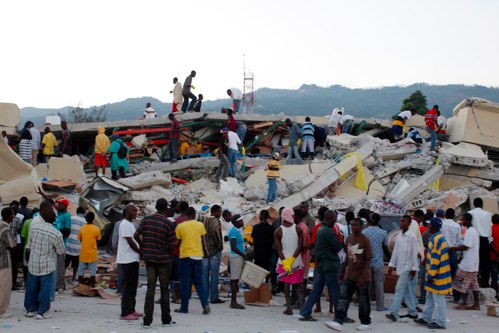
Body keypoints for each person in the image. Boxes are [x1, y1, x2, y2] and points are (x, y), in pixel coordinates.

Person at [133, 199, 177, 327]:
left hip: (149, 259)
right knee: (164, 289)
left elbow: (136, 236)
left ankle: (147, 320)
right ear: (166, 209)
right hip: (163, 260)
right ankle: (166, 319)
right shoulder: (167, 223)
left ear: (156, 207)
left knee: (150, 289)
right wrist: (167, 252)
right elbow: (173, 243)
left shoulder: (146, 220)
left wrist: (143, 248)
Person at [326, 218, 373, 331]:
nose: (353, 227)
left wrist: (363, 275)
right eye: (352, 225)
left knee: (363, 301)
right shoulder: (349, 238)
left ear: (361, 227)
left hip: (362, 276)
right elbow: (348, 256)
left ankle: (365, 322)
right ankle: (338, 320)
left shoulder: (365, 240)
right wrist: (342, 271)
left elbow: (368, 259)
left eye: (356, 225)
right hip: (350, 274)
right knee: (343, 298)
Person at [300, 210, 343, 322]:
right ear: (328, 218)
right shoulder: (328, 231)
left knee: (316, 290)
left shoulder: (319, 229)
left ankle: (305, 312)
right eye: (334, 218)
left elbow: (314, 244)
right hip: (329, 265)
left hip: (322, 264)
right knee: (335, 291)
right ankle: (340, 315)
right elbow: (337, 246)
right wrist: (344, 241)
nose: (335, 220)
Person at [25, 202, 65, 319]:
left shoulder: (35, 227)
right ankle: (42, 312)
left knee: (31, 287)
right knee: (45, 289)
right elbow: (61, 251)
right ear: (54, 221)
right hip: (47, 264)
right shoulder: (56, 233)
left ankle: (30, 309)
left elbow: (30, 243)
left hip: (33, 261)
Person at [414, 217, 452, 330]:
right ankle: (426, 317)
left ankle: (440, 322)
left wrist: (430, 275)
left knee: (438, 300)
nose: (428, 226)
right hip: (438, 273)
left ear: (434, 227)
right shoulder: (439, 238)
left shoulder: (436, 240)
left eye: (430, 225)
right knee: (430, 297)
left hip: (437, 275)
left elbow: (435, 260)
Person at [174, 207, 210, 315]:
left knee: (185, 283)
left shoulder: (180, 226)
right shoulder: (200, 225)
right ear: (194, 215)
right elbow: (203, 240)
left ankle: (184, 308)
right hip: (198, 256)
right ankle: (205, 304)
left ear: (185, 215)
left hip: (185, 256)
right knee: (198, 283)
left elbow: (178, 242)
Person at [385, 215, 419, 322]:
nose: (401, 223)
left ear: (408, 223)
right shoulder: (399, 236)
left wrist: (414, 268)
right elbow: (395, 252)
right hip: (400, 266)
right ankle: (413, 312)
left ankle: (393, 312)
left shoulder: (412, 237)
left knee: (399, 289)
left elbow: (414, 253)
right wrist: (391, 265)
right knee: (407, 290)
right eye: (400, 221)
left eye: (403, 222)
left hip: (408, 267)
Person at [275, 207, 304, 315]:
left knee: (286, 285)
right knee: (298, 285)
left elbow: (278, 249)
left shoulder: (278, 231)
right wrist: (293, 259)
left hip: (284, 261)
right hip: (297, 261)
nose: (294, 217)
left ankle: (289, 308)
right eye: (292, 215)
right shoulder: (298, 229)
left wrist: (286, 262)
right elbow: (300, 246)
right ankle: (303, 308)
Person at [448, 213, 480, 310]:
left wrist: (453, 248)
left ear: (468, 220)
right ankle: (476, 304)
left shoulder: (470, 232)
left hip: (468, 263)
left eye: (463, 220)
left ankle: (464, 301)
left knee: (459, 281)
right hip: (474, 263)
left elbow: (466, 246)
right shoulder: (474, 231)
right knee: (474, 285)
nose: (462, 221)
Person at [117, 204, 142, 320]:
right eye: (133, 211)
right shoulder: (124, 224)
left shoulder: (131, 224)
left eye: (136, 211)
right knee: (127, 287)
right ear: (127, 212)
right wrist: (140, 252)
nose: (135, 213)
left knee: (132, 286)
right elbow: (130, 241)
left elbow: (136, 239)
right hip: (127, 259)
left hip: (133, 258)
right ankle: (125, 313)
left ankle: (131, 309)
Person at [362, 212, 389, 312]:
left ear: (369, 220)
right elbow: (385, 248)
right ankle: (380, 306)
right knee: (379, 284)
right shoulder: (383, 233)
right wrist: (390, 259)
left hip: (367, 263)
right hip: (378, 262)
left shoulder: (364, 232)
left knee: (367, 285)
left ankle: (366, 304)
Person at [200, 205, 224, 304]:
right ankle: (214, 297)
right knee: (214, 275)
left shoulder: (203, 220)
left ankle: (204, 297)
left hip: (204, 251)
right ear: (216, 212)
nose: (220, 214)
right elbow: (217, 234)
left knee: (204, 274)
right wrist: (220, 247)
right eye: (220, 212)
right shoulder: (216, 221)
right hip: (214, 251)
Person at [468, 197, 492, 288]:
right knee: (485, 263)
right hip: (485, 239)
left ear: (474, 204)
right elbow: (489, 228)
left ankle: (475, 283)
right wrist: (489, 240)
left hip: (474, 239)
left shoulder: (470, 213)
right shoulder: (487, 214)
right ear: (482, 204)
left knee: (474, 263)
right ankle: (485, 283)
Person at [77, 212, 101, 287]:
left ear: (85, 219)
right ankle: (92, 285)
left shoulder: (81, 229)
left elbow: (80, 240)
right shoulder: (96, 229)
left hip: (83, 253)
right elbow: (98, 240)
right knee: (93, 270)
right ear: (93, 219)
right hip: (92, 253)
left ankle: (80, 284)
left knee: (81, 270)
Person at [0, 207, 16, 319]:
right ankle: (2, 310)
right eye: (12, 214)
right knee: (5, 286)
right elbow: (12, 245)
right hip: (4, 260)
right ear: (8, 216)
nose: (13, 217)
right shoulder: (5, 228)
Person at [228, 214, 247, 309]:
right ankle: (233, 302)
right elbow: (234, 247)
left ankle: (234, 301)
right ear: (236, 222)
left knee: (235, 280)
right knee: (234, 280)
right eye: (241, 221)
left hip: (237, 257)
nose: (242, 222)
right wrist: (244, 255)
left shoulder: (237, 231)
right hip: (236, 257)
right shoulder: (233, 232)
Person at [65, 207, 86, 283]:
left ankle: (63, 278)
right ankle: (74, 277)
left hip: (69, 244)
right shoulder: (85, 221)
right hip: (79, 246)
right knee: (76, 264)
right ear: (83, 213)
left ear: (76, 212)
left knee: (66, 263)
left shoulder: (72, 218)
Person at [54, 198, 72, 293]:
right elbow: (53, 204)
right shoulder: (60, 213)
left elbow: (68, 231)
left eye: (60, 204)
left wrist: (56, 231)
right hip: (55, 244)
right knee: (56, 265)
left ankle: (60, 285)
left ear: (65, 206)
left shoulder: (66, 216)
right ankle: (57, 284)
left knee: (60, 266)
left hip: (61, 244)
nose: (58, 206)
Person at [440, 208, 460, 279]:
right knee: (453, 272)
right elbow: (458, 241)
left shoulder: (441, 224)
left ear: (445, 215)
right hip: (452, 250)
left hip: (442, 250)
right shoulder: (457, 226)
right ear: (453, 216)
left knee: (443, 272)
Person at [490, 214, 499, 300]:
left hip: (493, 257)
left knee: (494, 276)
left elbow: (490, 243)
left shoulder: (490, 229)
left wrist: (497, 254)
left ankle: (494, 295)